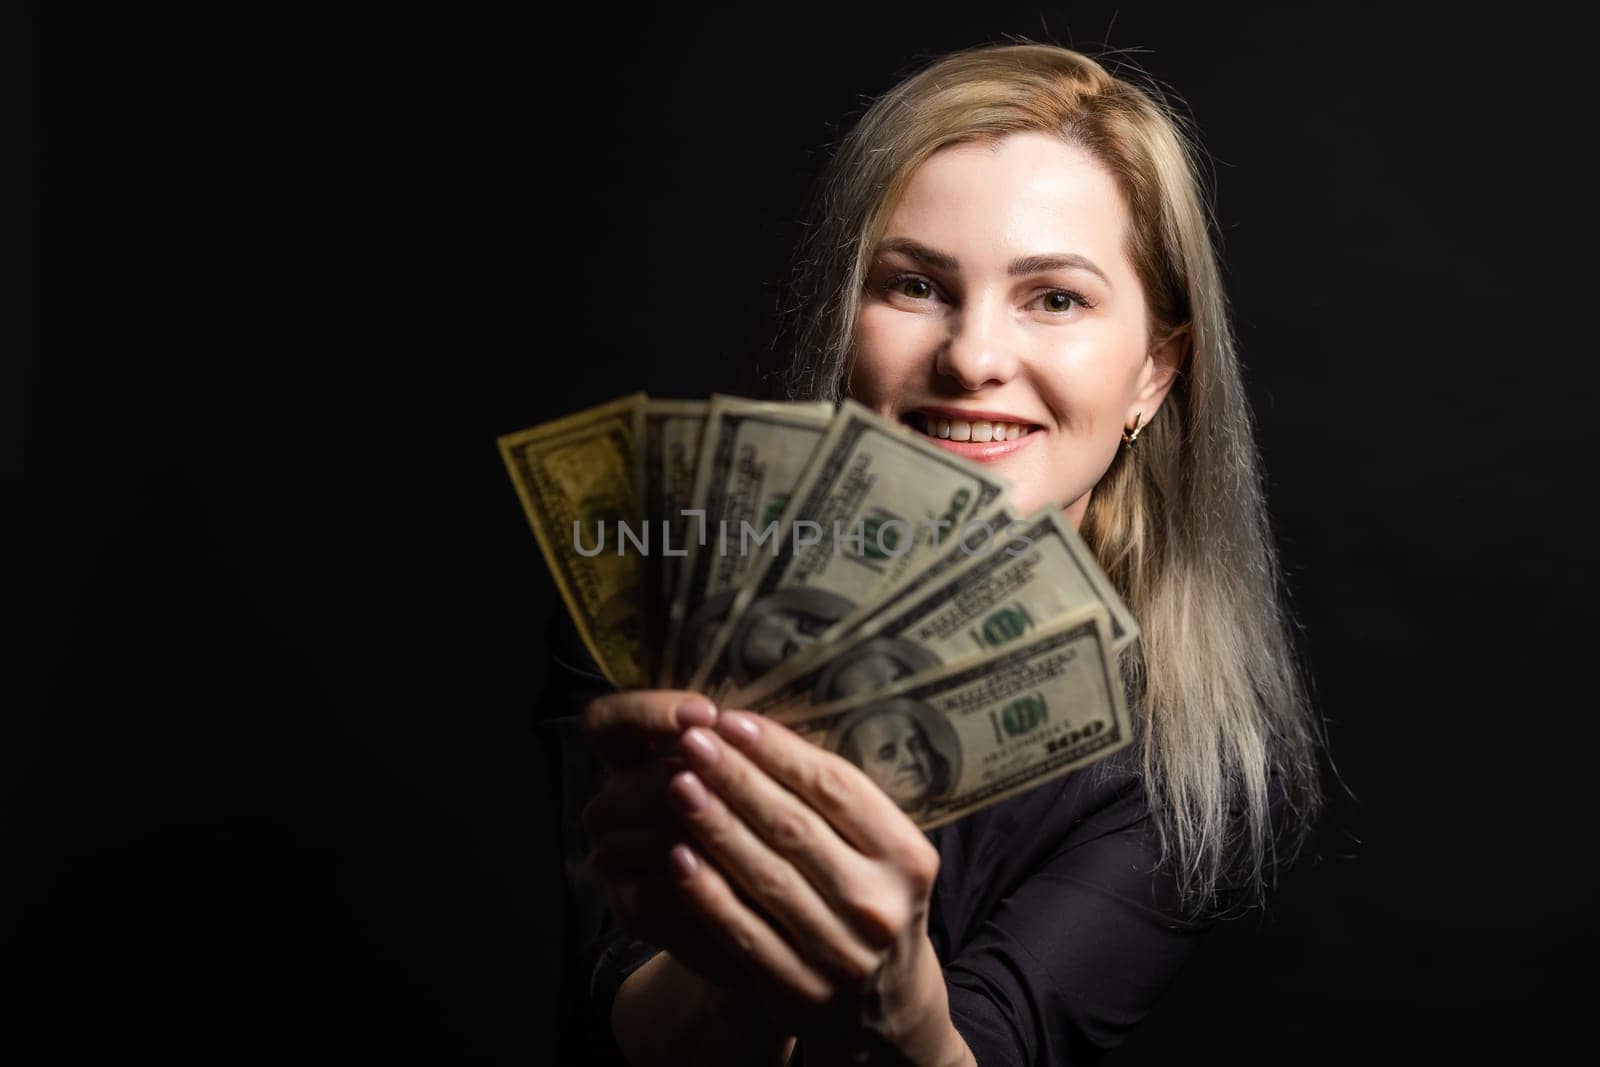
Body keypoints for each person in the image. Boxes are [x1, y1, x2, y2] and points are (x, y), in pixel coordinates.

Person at [536, 41, 1325, 1065]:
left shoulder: (1183, 765)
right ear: (846, 321)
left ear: (1153, 376)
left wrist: (894, 1000)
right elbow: (628, 1021)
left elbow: (988, 1044)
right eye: (913, 284)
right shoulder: (658, 593)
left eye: (1054, 297)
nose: (972, 357)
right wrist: (737, 955)